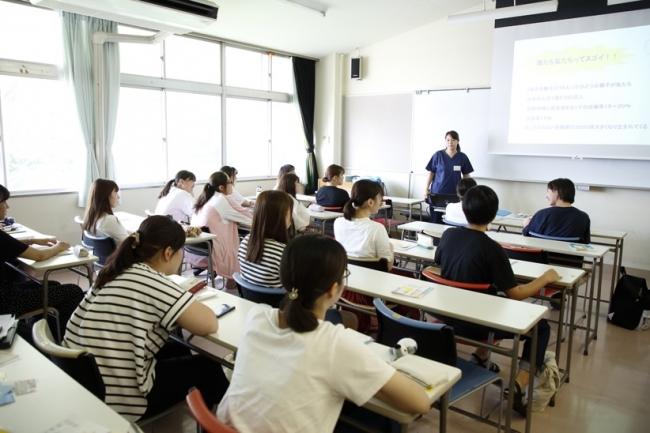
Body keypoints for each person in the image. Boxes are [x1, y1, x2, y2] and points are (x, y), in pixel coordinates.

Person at [217, 234, 430, 432]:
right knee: (385, 421)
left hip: (222, 426)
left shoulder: (258, 317)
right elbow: (420, 403)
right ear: (332, 289)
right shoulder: (335, 344)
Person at [64, 216, 229, 422]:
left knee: (176, 347)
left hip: (86, 382)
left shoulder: (115, 270)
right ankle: (224, 423)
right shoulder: (152, 281)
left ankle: (193, 405)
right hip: (120, 398)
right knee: (209, 367)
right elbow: (208, 324)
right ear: (168, 253)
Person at [434, 185, 560, 416]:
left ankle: (481, 358)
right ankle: (519, 384)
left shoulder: (448, 234)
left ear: (464, 209)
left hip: (447, 317)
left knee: (489, 301)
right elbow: (516, 294)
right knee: (540, 326)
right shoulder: (492, 248)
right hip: (480, 323)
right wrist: (545, 278)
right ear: (494, 215)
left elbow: (439, 262)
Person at [0, 184, 84, 339]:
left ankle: (48, 334)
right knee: (73, 291)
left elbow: (11, 246)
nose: (7, 206)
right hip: (6, 302)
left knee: (53, 285)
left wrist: (32, 240)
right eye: (4, 202)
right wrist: (58, 246)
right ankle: (66, 340)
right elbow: (39, 256)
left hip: (5, 293)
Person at [186, 171, 252, 289]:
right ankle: (233, 277)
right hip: (215, 248)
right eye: (230, 182)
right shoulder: (223, 199)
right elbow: (249, 220)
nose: (232, 185)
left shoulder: (204, 199)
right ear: (222, 187)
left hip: (198, 247)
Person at [238, 190, 293, 288]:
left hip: (250, 300)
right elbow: (294, 285)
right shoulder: (282, 251)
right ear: (280, 217)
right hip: (278, 302)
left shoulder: (245, 242)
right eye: (290, 213)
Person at [424, 130, 474, 223]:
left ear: (457, 141)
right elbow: (430, 173)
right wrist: (426, 189)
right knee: (436, 221)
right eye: (448, 140)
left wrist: (468, 192)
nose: (450, 142)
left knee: (453, 221)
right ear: (445, 141)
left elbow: (467, 175)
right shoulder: (438, 155)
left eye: (453, 140)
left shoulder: (462, 157)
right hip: (438, 193)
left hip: (455, 194)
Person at [522, 178, 591, 243]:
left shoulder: (542, 214)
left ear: (557, 192)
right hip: (571, 255)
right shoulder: (583, 217)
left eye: (548, 191)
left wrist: (526, 223)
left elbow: (527, 235)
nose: (546, 196)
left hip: (543, 254)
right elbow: (586, 242)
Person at [82, 179, 129, 244]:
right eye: (115, 192)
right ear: (106, 195)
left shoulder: (91, 218)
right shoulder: (109, 220)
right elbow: (129, 244)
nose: (118, 197)